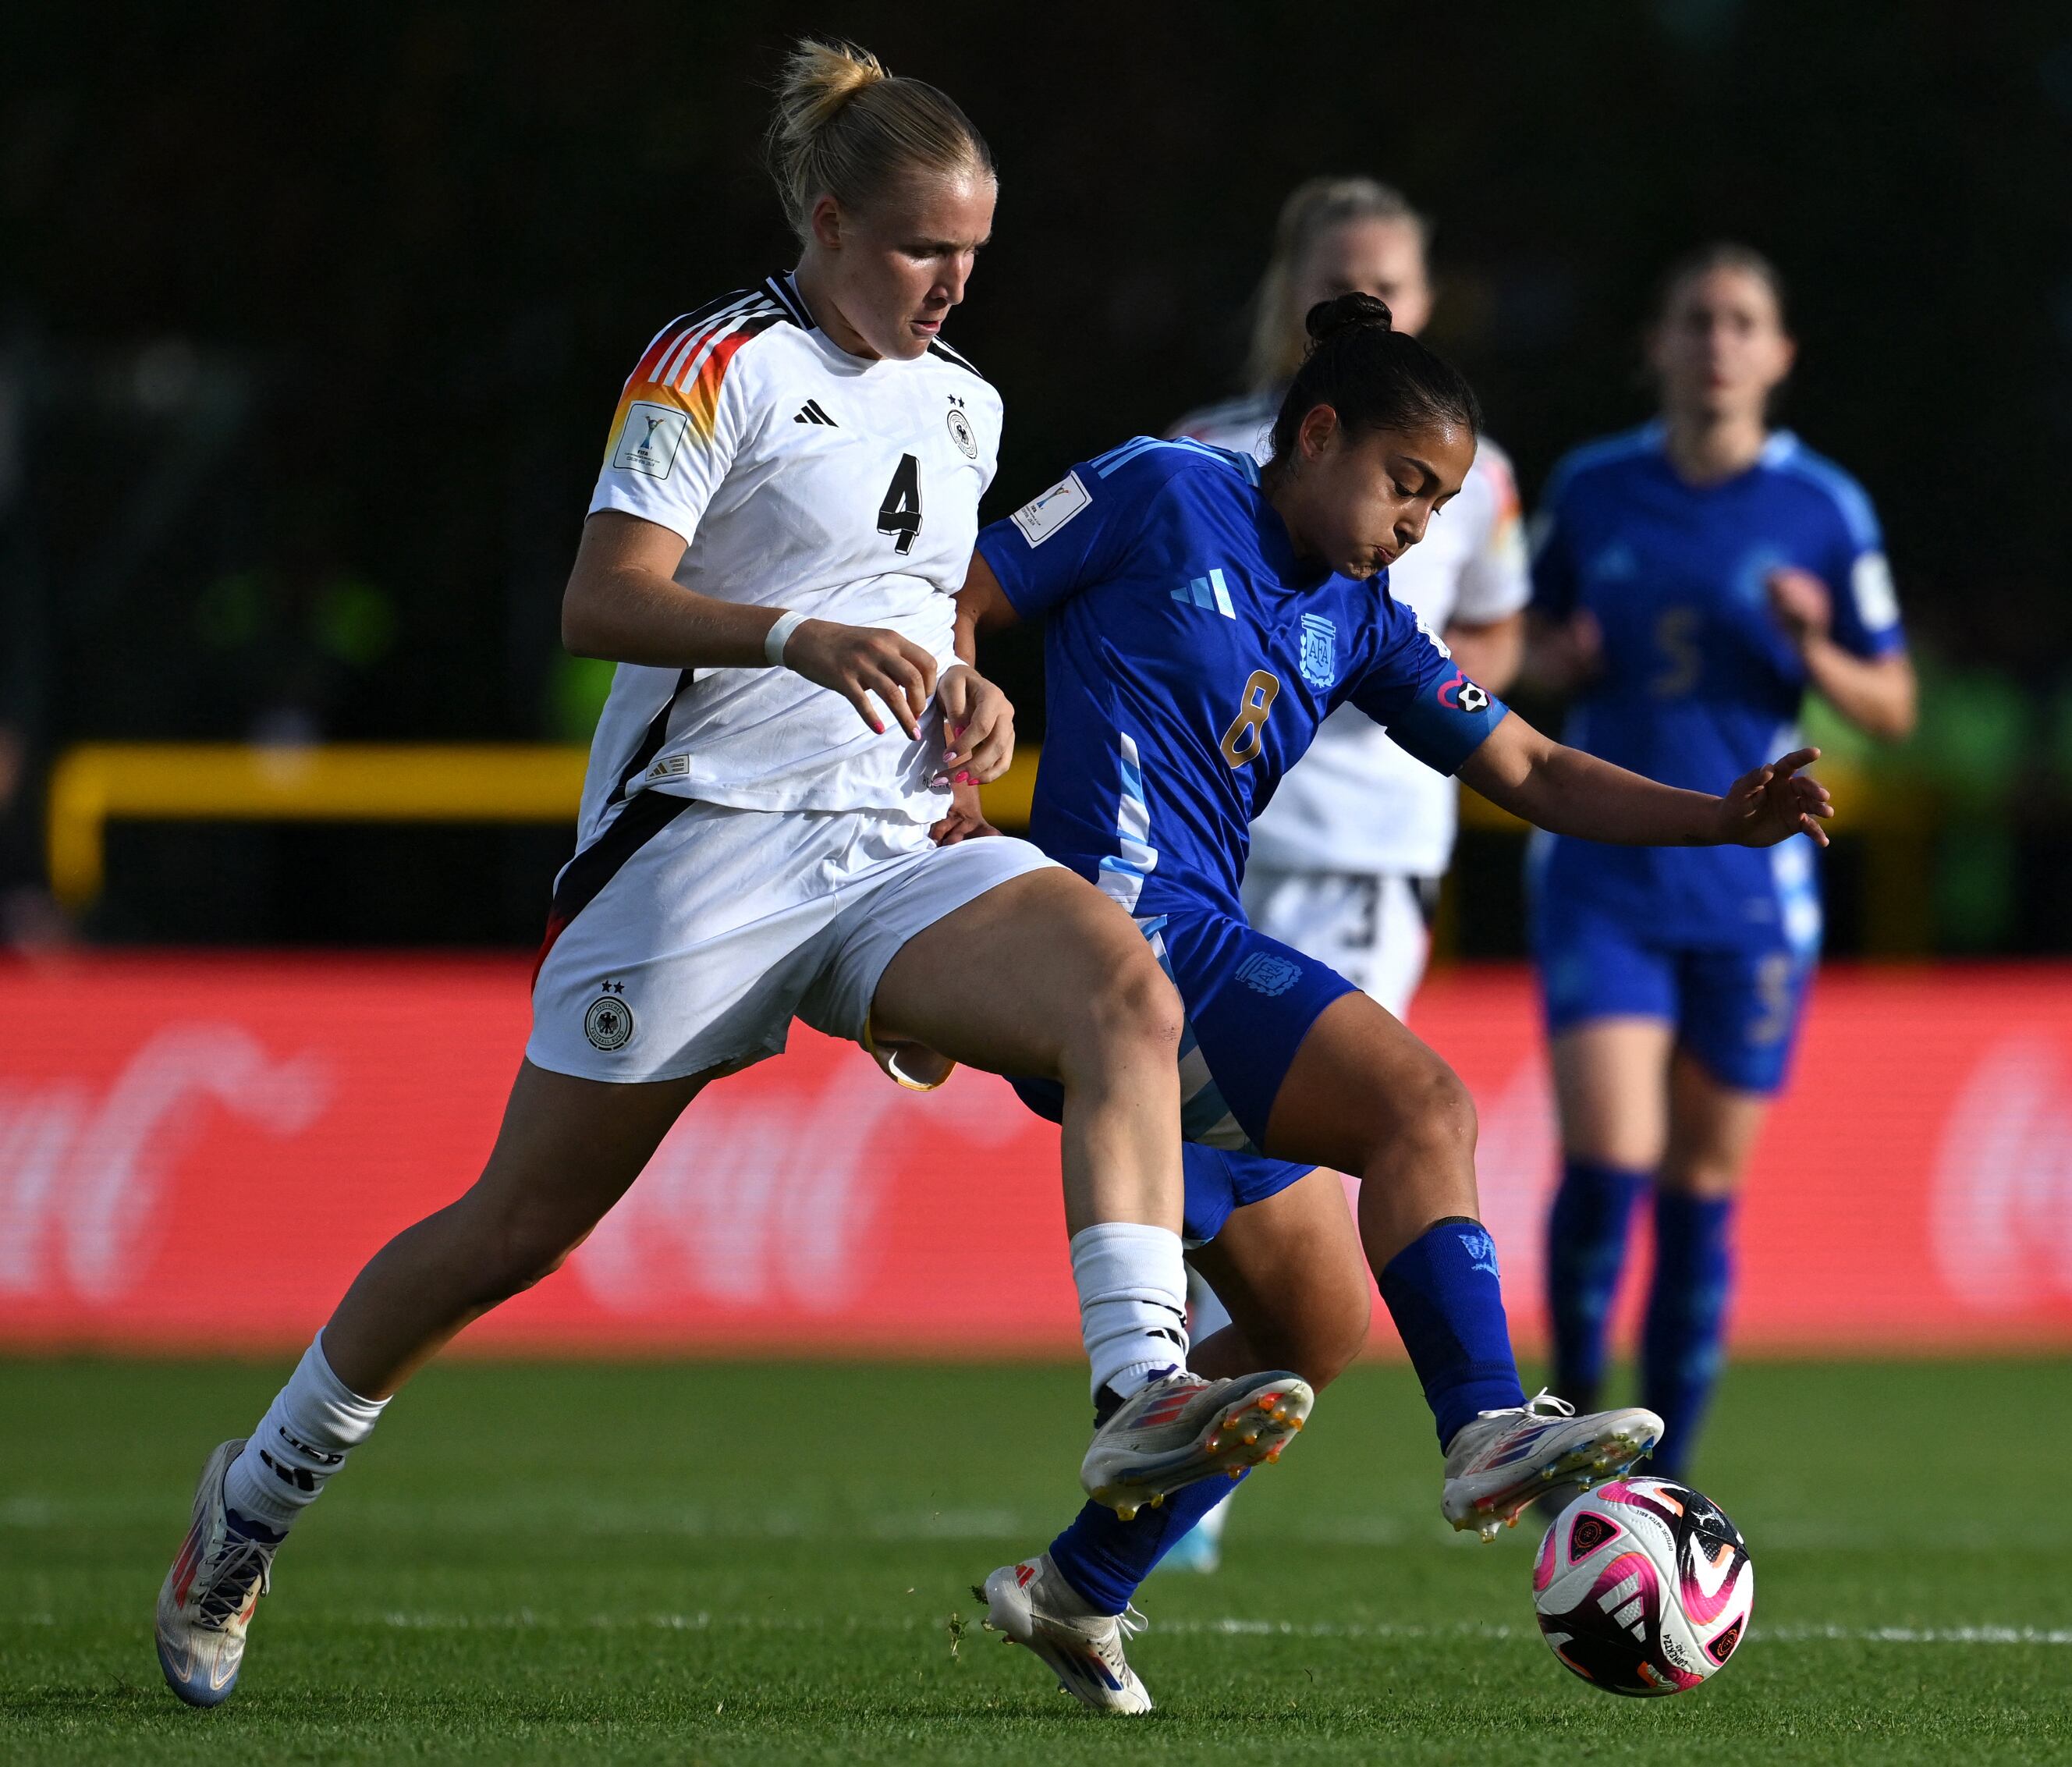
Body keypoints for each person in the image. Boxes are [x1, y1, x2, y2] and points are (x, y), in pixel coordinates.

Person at [152, 40, 1307, 1710]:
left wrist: (968, 690)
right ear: (830, 223)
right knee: (515, 1227)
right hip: (693, 850)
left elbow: (922, 614)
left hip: (880, 845)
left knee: (1120, 981)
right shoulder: (715, 365)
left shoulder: (963, 399)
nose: (951, 283)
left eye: (974, 251)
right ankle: (248, 1503)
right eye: (922, 248)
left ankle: (1138, 1379)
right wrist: (792, 632)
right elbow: (602, 597)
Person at [953, 291, 1837, 1712]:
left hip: (1184, 960)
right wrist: (943, 768)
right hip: (1108, 927)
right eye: (1404, 484)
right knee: (1420, 1102)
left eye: (1439, 499)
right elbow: (967, 587)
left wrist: (1716, 819)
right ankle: (1487, 1424)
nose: (1419, 522)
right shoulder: (1155, 486)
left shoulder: (1359, 618)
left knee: (1315, 1326)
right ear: (1314, 434)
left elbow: (1535, 772)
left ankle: (1071, 1588)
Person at [1159, 176, 1531, 1574]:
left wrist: (1406, 694)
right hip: (1201, 851)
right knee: (1237, 1172)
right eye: (1338, 274)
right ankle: (1166, 1435)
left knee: (1279, 1159)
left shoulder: (1477, 481)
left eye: (1391, 278)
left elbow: (1496, 636)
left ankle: (1173, 1458)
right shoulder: (1202, 455)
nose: (1365, 295)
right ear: (1289, 293)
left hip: (1364, 859)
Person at [1525, 244, 1918, 1481]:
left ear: (1778, 354)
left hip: (1752, 894)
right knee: (1608, 1155)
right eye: (1694, 319)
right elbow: (1511, 649)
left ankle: (1665, 1478)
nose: (1716, 342)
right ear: (1656, 344)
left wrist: (1816, 647)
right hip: (1606, 874)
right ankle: (1566, 1430)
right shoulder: (1590, 491)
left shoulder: (1825, 511)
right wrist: (1556, 658)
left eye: (1741, 321)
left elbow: (1893, 703)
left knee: (1700, 1187)